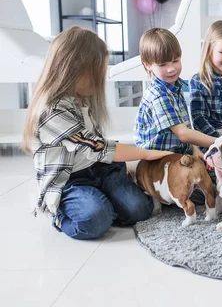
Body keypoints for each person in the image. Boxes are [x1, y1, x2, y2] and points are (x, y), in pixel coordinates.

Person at [22, 27, 172, 240]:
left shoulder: (81, 98)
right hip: (69, 181)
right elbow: (95, 146)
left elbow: (99, 148)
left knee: (139, 209)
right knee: (94, 219)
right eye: (97, 72)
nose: (100, 78)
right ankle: (60, 214)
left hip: (100, 170)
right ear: (75, 69)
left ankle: (106, 200)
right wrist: (144, 153)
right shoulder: (51, 110)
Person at [135, 28, 215, 155]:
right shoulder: (158, 95)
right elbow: (183, 134)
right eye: (162, 65)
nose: (171, 69)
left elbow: (185, 130)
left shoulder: (176, 87)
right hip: (155, 158)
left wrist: (196, 151)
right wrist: (221, 141)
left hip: (177, 152)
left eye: (175, 61)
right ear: (148, 65)